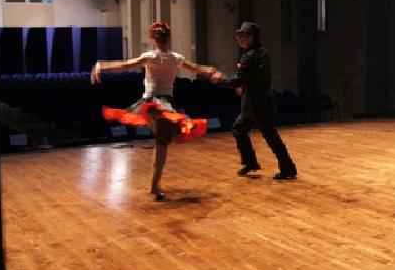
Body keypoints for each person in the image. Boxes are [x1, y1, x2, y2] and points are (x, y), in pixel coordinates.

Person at [91, 21, 218, 200]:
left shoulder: (151, 56)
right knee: (162, 143)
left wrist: (101, 65)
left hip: (152, 104)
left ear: (153, 39)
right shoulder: (176, 58)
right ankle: (154, 185)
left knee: (163, 141)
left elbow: (126, 65)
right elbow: (195, 68)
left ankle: (154, 185)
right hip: (160, 105)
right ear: (168, 38)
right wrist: (211, 70)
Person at [212, 21, 297, 179]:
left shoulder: (249, 57)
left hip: (254, 104)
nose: (239, 38)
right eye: (238, 35)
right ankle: (285, 167)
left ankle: (256, 163)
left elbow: (237, 81)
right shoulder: (262, 53)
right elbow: (254, 77)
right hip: (263, 101)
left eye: (242, 35)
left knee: (244, 130)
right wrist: (245, 86)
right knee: (266, 134)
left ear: (251, 37)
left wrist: (220, 79)